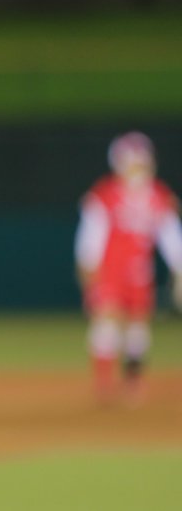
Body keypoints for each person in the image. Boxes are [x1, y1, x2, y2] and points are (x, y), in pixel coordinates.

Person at [75, 131, 182, 405]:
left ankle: (133, 383)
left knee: (137, 328)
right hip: (110, 271)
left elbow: (171, 237)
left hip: (140, 273)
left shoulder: (159, 195)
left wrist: (179, 270)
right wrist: (90, 277)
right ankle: (103, 384)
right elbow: (90, 239)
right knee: (107, 321)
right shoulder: (104, 195)